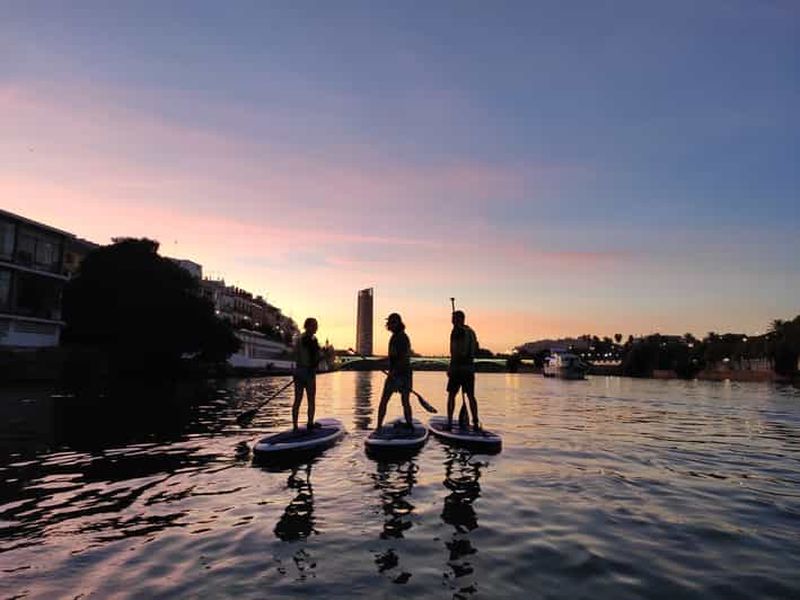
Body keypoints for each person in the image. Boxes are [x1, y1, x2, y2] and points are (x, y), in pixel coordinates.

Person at [375, 312, 414, 431]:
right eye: (389, 323)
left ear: (397, 323)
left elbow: (403, 358)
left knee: (399, 400)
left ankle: (408, 424)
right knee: (390, 401)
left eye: (392, 323)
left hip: (402, 374)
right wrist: (379, 361)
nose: (389, 325)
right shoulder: (394, 337)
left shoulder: (401, 338)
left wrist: (394, 372)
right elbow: (393, 357)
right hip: (397, 374)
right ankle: (379, 426)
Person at [447, 310, 480, 430]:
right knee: (471, 396)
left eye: (453, 318)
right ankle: (475, 421)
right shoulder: (471, 332)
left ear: (459, 319)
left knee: (451, 395)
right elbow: (476, 348)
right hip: (469, 369)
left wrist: (451, 368)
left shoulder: (456, 331)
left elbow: (455, 351)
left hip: (458, 369)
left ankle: (450, 422)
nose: (451, 320)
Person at [292, 317, 321, 433]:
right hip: (308, 373)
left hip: (299, 372)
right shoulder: (312, 340)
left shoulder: (298, 339)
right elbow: (316, 358)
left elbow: (295, 355)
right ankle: (310, 423)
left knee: (297, 400)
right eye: (314, 325)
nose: (316, 327)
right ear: (308, 326)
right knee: (310, 399)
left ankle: (295, 426)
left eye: (316, 325)